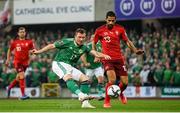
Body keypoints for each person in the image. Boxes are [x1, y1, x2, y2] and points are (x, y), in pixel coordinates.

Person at [32, 28, 111, 108]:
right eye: (79, 37)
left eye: (83, 37)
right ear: (75, 37)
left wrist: (104, 55)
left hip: (69, 66)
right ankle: (81, 95)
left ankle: (85, 103)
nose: (81, 39)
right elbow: (52, 45)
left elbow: (93, 52)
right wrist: (39, 52)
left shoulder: (84, 47)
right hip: (59, 63)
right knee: (68, 77)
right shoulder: (67, 41)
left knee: (85, 79)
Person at [92, 11, 144, 108]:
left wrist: (135, 50)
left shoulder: (120, 29)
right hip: (107, 58)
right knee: (112, 80)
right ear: (106, 20)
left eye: (113, 20)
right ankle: (107, 102)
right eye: (109, 20)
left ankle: (120, 93)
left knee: (125, 83)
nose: (111, 22)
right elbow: (94, 43)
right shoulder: (99, 30)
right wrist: (96, 55)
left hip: (119, 59)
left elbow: (127, 41)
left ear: (115, 20)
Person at [5, 27, 35, 100]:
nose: (22, 33)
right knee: (22, 76)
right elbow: (9, 50)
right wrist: (8, 59)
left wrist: (33, 55)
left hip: (25, 63)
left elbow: (33, 50)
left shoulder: (30, 42)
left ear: (25, 33)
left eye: (23, 32)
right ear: (18, 33)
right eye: (21, 32)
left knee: (18, 78)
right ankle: (23, 95)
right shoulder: (15, 42)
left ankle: (9, 88)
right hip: (17, 62)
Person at [80, 35, 105, 101]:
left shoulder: (100, 45)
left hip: (97, 66)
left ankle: (101, 95)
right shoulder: (87, 46)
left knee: (101, 80)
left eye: (95, 38)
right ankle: (86, 95)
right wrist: (85, 63)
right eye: (92, 38)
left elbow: (102, 54)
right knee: (87, 81)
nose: (93, 39)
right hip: (90, 67)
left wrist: (99, 58)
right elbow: (82, 55)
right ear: (90, 39)